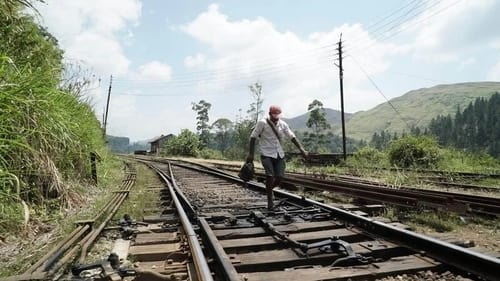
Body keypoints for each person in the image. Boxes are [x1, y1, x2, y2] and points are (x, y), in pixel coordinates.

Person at [246, 105, 308, 210]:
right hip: (266, 154)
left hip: (279, 154)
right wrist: (251, 154)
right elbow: (253, 137)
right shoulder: (262, 123)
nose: (276, 117)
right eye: (274, 115)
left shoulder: (282, 124)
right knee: (270, 176)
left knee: (279, 177)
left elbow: (292, 136)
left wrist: (301, 149)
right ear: (270, 114)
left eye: (278, 115)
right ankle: (270, 201)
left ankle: (269, 188)